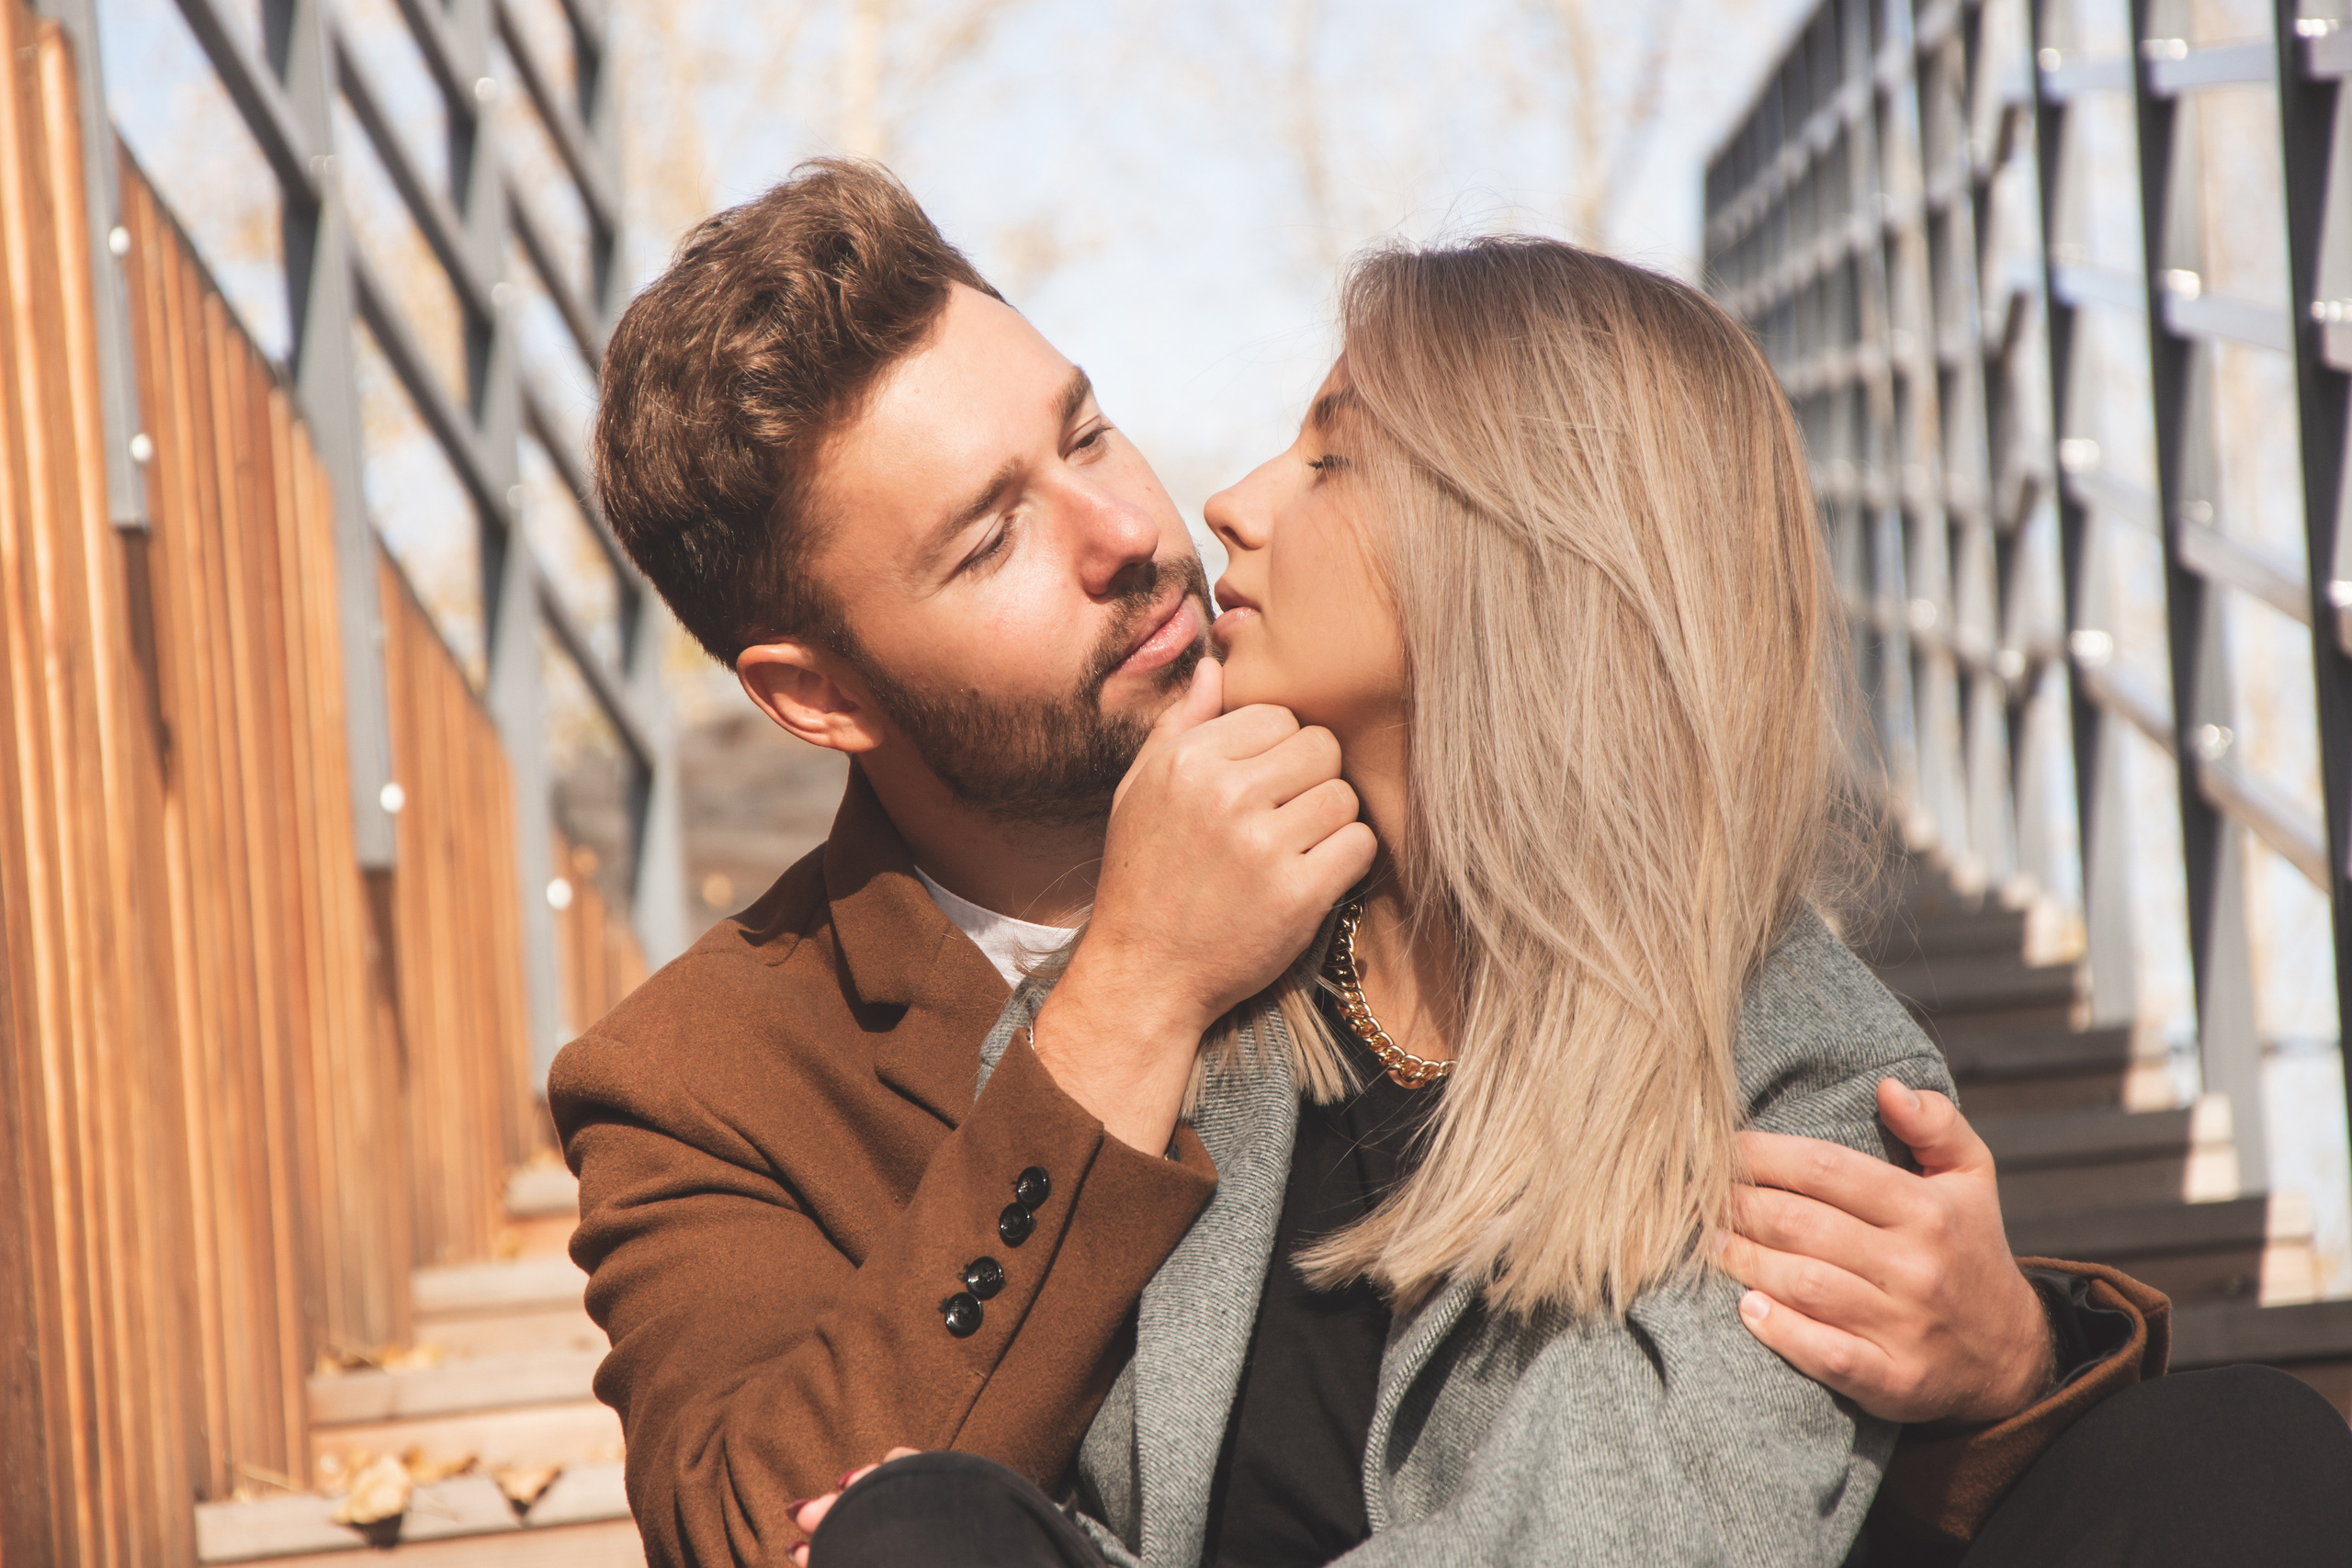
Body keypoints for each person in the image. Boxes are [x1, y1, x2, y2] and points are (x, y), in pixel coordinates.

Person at [551, 162, 2183, 1568]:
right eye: (990, 540)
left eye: (1088, 432)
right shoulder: (697, 1081)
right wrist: (1128, 995)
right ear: (816, 697)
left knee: (2225, 1449)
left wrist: (2013, 1361)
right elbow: (783, 1531)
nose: (1139, 529)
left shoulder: (1428, 816)